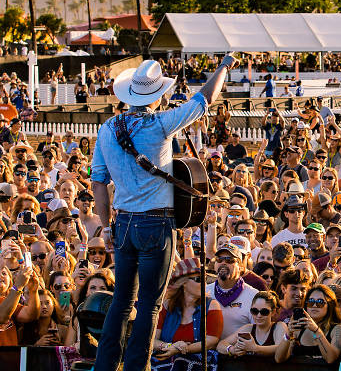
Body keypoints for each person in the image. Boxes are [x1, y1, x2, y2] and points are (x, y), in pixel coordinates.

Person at [91, 54, 235, 371]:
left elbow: (99, 184)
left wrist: (105, 227)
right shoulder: (161, 123)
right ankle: (135, 367)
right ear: (157, 95)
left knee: (120, 301)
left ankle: (105, 365)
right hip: (156, 223)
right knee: (149, 307)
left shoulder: (107, 129)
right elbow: (207, 97)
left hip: (123, 222)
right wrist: (224, 66)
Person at [152, 258, 223, 370]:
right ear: (183, 283)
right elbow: (153, 339)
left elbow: (211, 342)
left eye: (204, 278)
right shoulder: (167, 305)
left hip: (198, 363)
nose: (204, 283)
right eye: (198, 279)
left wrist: (183, 349)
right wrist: (170, 346)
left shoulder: (211, 305)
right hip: (166, 361)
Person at [275, 284, 341, 363]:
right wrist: (288, 334)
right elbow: (279, 359)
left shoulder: (338, 330)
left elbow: (330, 358)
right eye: (311, 302)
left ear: (329, 305)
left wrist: (316, 330)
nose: (314, 305)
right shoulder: (298, 329)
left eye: (320, 302)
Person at [218, 290, 287, 358]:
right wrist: (232, 350)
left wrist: (255, 348)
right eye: (255, 311)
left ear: (273, 312)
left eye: (264, 311)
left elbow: (281, 349)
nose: (259, 315)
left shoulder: (279, 327)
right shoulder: (248, 328)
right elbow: (220, 345)